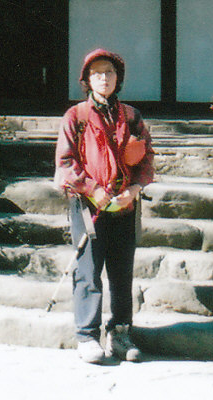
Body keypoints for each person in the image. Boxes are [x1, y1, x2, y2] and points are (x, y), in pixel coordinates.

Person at [54, 48, 156, 364]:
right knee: (88, 270)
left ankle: (120, 333)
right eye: (97, 73)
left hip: (124, 205)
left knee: (122, 272)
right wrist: (92, 189)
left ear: (118, 78)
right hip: (87, 206)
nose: (104, 78)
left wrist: (134, 190)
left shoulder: (132, 117)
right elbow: (65, 162)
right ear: (87, 80)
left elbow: (147, 159)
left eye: (109, 72)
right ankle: (87, 336)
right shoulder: (76, 116)